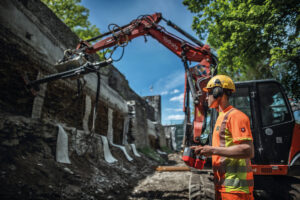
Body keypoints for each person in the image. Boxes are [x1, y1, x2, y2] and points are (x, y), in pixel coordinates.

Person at [191, 75, 255, 200]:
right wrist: (205, 149)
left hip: (236, 188)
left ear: (217, 93)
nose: (206, 98)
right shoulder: (221, 117)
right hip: (224, 186)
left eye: (208, 93)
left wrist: (213, 150)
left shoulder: (235, 116)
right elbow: (223, 148)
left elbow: (248, 150)